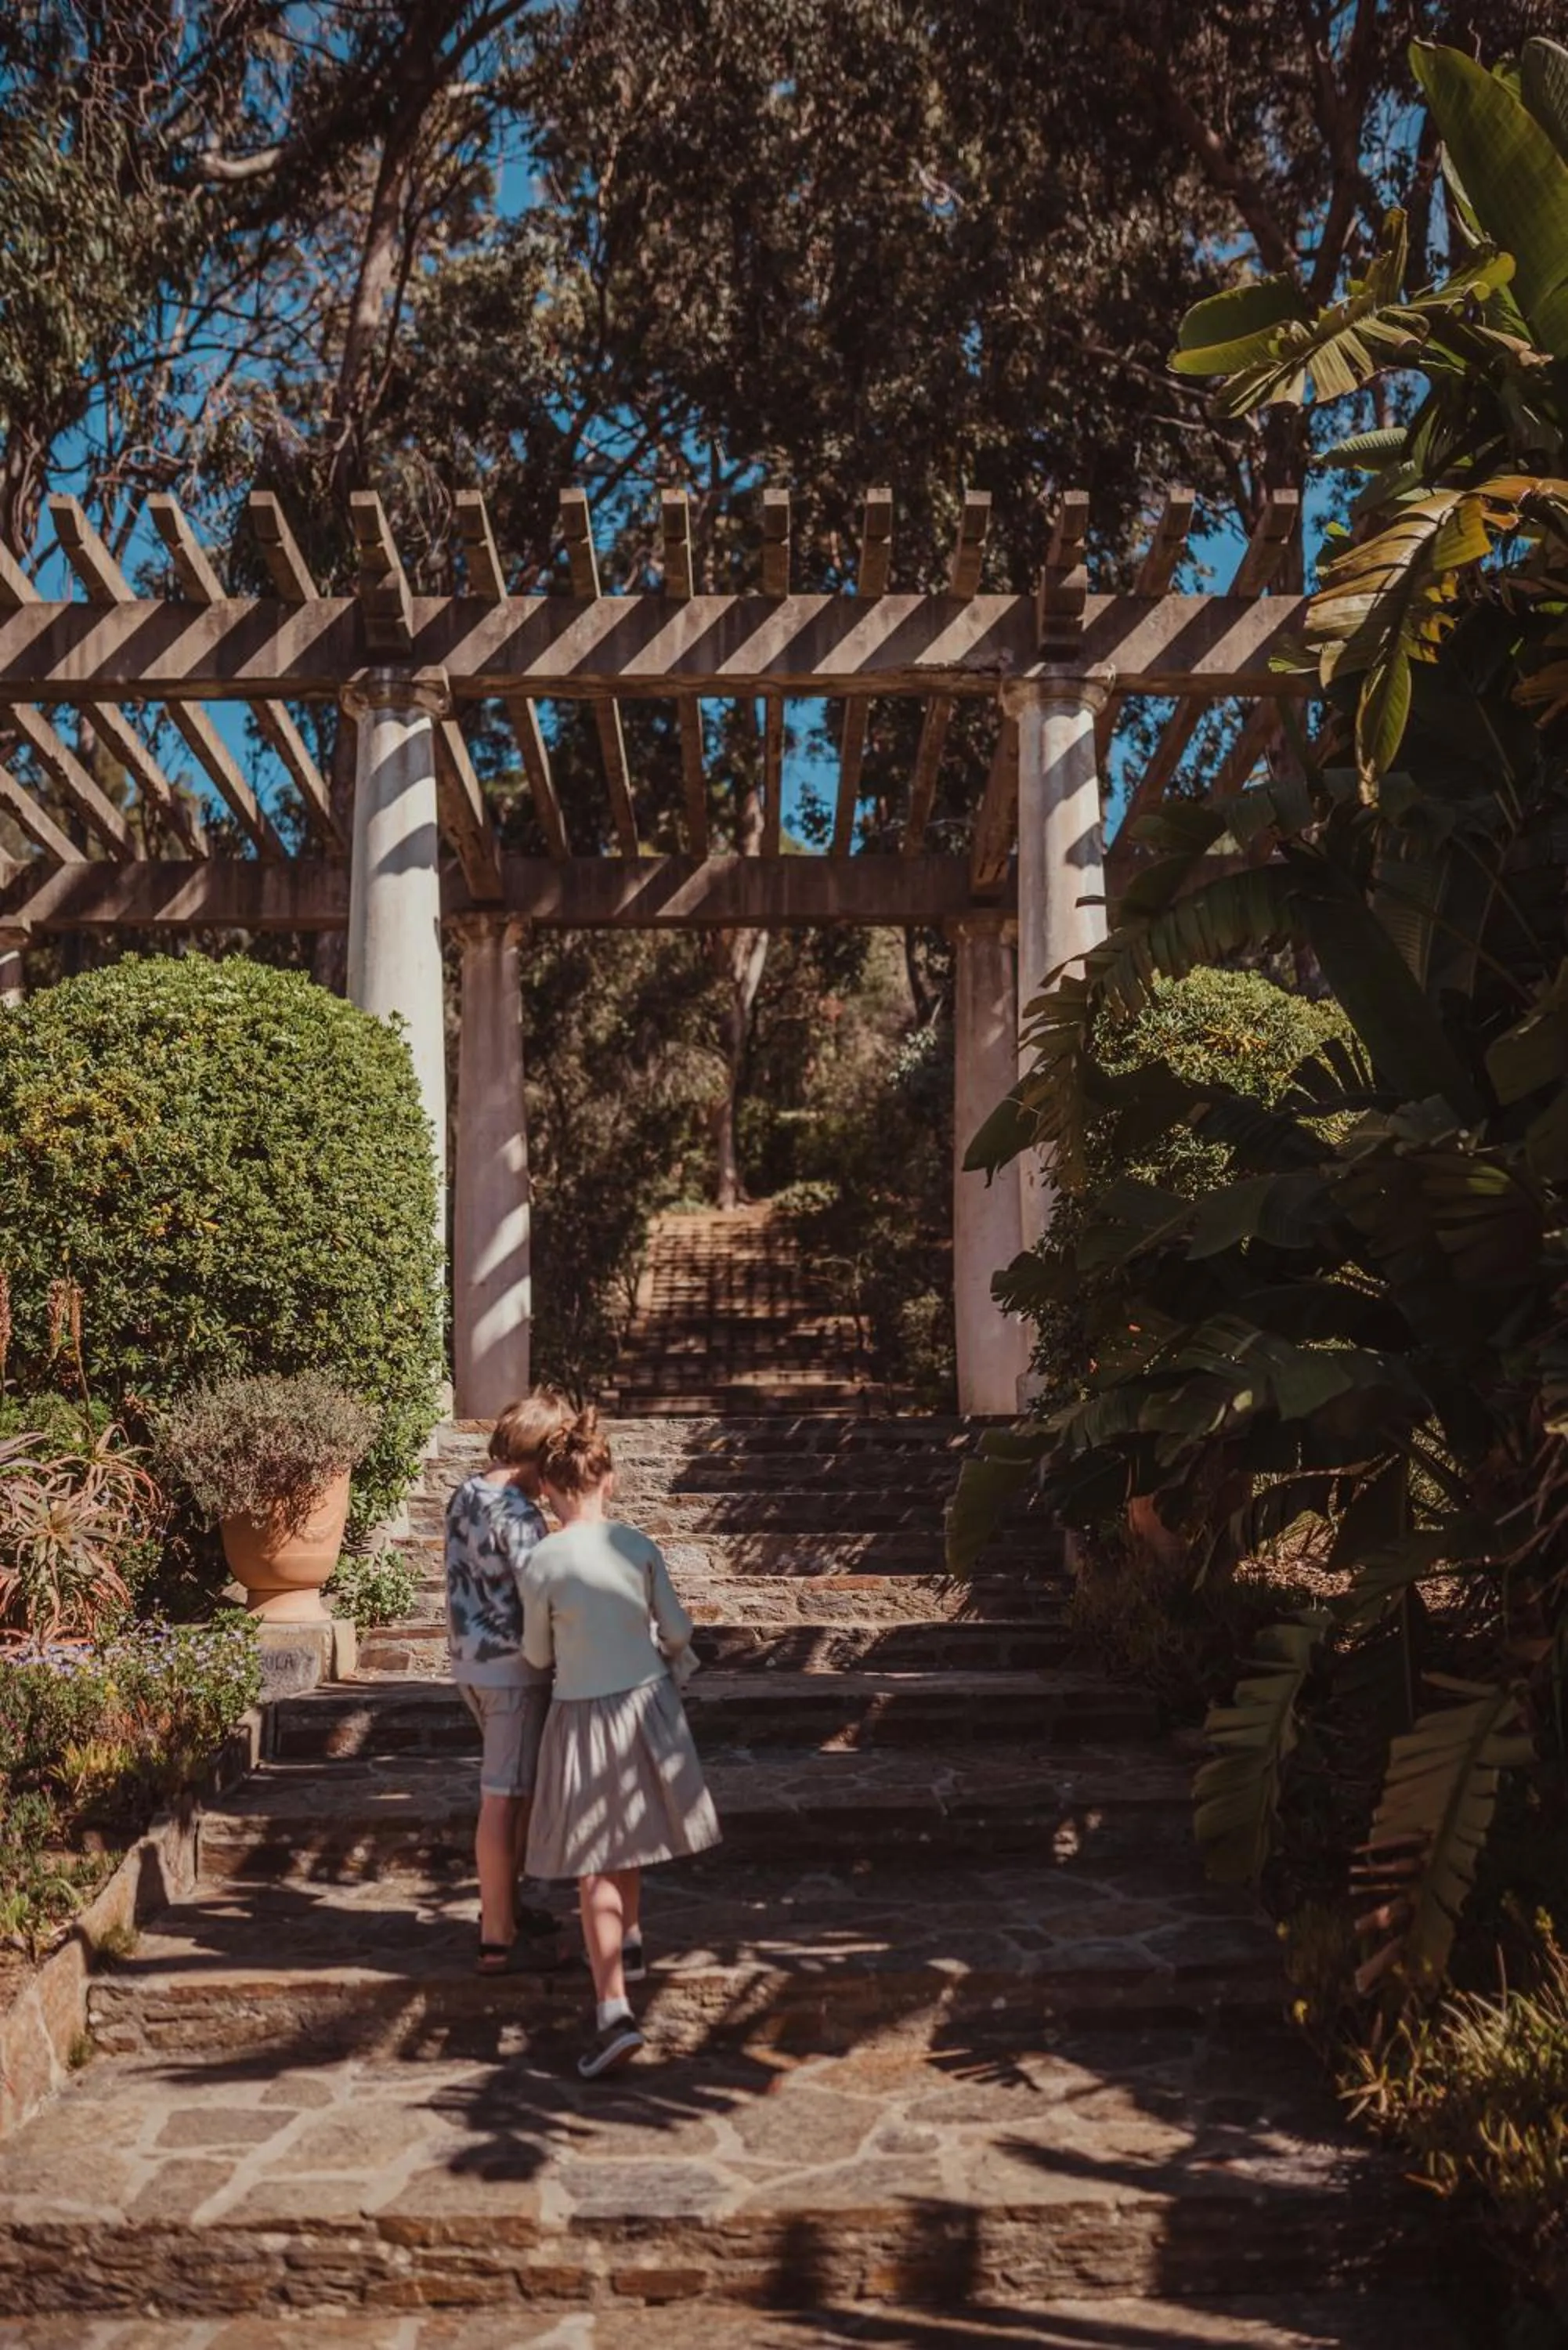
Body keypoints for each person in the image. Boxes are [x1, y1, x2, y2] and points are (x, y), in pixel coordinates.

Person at [522, 1406, 721, 2079]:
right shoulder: (637, 1546)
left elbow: (535, 1649)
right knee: (629, 1841)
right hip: (646, 1706)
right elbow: (679, 1628)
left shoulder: (544, 1557)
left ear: (548, 1490)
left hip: (583, 1713)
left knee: (592, 1863)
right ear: (609, 1481)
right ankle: (629, 1941)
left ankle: (613, 2012)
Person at [444, 1388, 573, 1974]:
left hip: (470, 1663)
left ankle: (509, 1907)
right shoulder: (520, 1516)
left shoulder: (465, 1494)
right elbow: (539, 1592)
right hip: (515, 1672)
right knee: (502, 1798)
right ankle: (496, 1934)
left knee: (513, 1793)